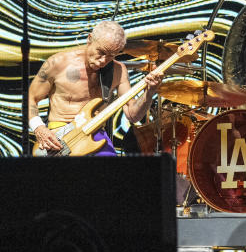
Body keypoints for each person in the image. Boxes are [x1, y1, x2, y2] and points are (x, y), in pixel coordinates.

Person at [29, 21, 162, 154]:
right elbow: (30, 98)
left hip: (95, 135)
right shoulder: (58, 63)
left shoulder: (118, 70)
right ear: (89, 39)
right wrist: (39, 128)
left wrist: (149, 92)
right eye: (101, 52)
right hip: (60, 135)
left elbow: (133, 115)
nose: (104, 60)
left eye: (111, 55)